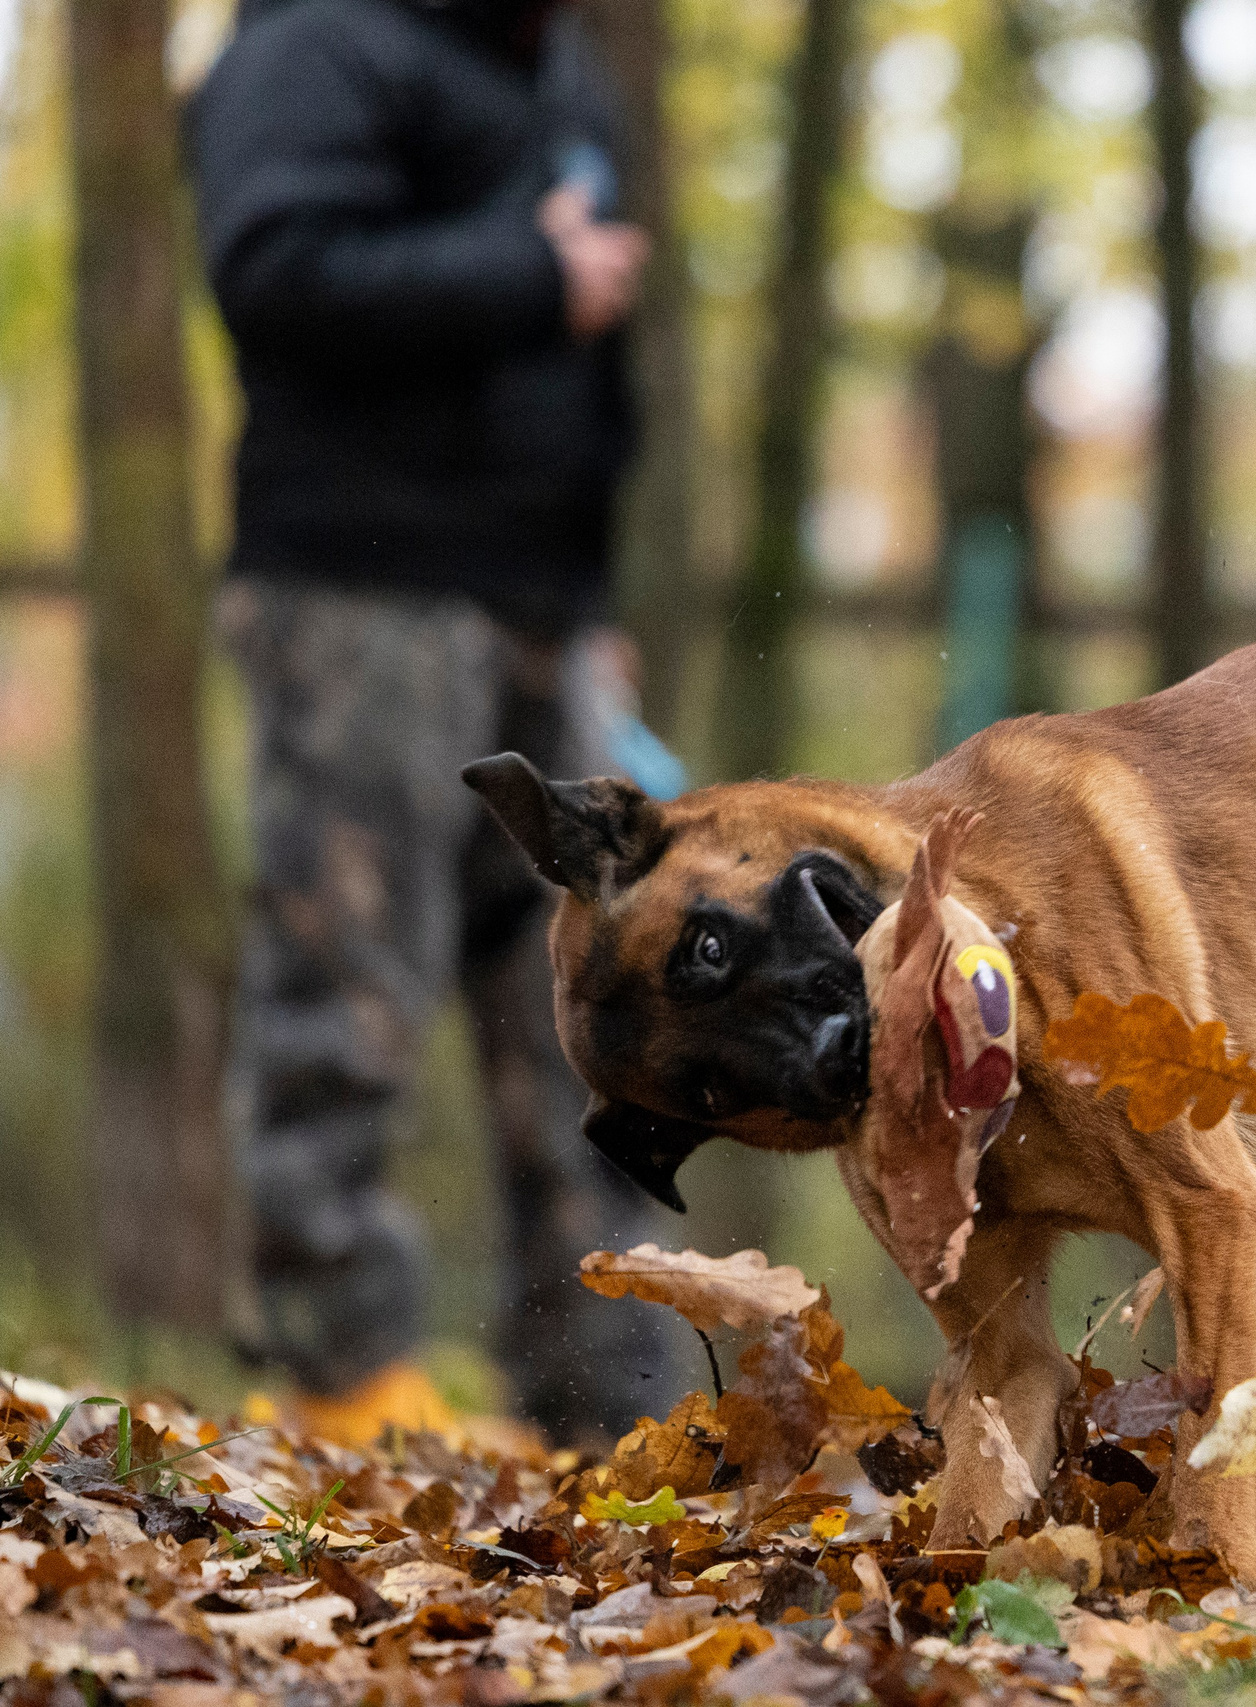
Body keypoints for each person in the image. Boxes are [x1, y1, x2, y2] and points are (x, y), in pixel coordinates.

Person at [189, 0, 678, 1448]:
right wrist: (529, 274)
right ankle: (343, 1371)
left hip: (541, 606)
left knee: (598, 1006)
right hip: (361, 593)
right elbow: (274, 267)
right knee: (348, 984)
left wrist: (591, 605)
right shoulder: (317, 42)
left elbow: (578, 376)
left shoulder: (554, 64)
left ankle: (613, 1404)